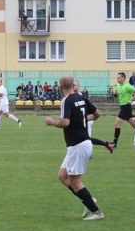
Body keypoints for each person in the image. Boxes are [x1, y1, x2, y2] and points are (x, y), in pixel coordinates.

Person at [44, 75, 104, 221]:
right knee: (62, 176)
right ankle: (87, 199)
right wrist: (83, 119)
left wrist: (51, 122)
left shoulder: (66, 100)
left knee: (75, 182)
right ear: (72, 85)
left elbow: (65, 122)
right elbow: (97, 114)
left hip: (78, 145)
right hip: (82, 144)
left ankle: (96, 212)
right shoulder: (81, 98)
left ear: (60, 87)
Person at [74, 79, 113, 154]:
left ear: (78, 86)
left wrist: (85, 118)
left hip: (87, 119)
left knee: (86, 139)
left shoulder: (81, 96)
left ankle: (102, 146)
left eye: (74, 85)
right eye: (72, 85)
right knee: (83, 138)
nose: (73, 87)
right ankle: (106, 144)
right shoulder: (74, 96)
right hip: (82, 120)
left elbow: (91, 110)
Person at [111, 72, 135, 147]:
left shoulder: (127, 86)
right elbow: (117, 96)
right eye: (117, 77)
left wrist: (132, 99)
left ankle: (114, 143)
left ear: (123, 78)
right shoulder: (118, 86)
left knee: (117, 124)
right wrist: (115, 94)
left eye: (119, 77)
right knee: (134, 125)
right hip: (122, 107)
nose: (117, 79)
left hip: (126, 107)